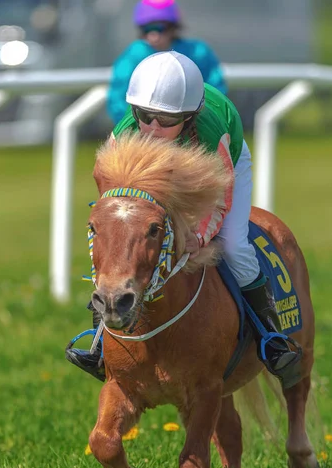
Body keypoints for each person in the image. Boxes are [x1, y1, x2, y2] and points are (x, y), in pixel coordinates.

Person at [67, 51, 301, 385]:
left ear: (190, 117)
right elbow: (108, 193)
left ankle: (271, 339)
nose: (152, 127)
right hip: (157, 183)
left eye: (166, 121)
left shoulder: (211, 134)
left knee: (233, 244)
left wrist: (199, 236)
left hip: (221, 173)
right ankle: (100, 343)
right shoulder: (124, 135)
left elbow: (219, 199)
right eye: (144, 115)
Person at [107, 0, 227, 124]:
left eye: (160, 28)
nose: (154, 36)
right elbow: (118, 96)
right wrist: (132, 126)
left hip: (191, 125)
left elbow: (215, 92)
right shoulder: (134, 55)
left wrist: (203, 123)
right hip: (144, 126)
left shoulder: (198, 52)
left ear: (173, 27)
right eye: (147, 29)